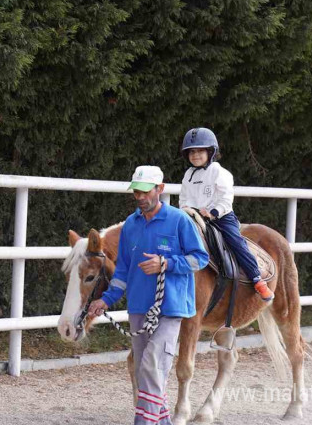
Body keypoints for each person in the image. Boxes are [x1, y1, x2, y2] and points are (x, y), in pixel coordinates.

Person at [88, 165, 209, 425]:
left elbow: (200, 259)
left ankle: (143, 422)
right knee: (147, 370)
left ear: (160, 189)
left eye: (145, 191)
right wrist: (105, 300)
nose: (140, 197)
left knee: (152, 365)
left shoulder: (179, 221)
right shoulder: (130, 225)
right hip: (139, 306)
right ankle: (161, 421)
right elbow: (122, 271)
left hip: (171, 307)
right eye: (136, 192)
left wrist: (166, 263)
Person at [179, 127, 274, 301]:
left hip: (220, 218)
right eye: (192, 152)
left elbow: (225, 197)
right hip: (194, 218)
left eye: (200, 151)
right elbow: (184, 197)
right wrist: (185, 210)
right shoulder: (188, 175)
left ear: (211, 152)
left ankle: (256, 278)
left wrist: (213, 212)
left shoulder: (219, 172)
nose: (195, 155)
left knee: (234, 241)